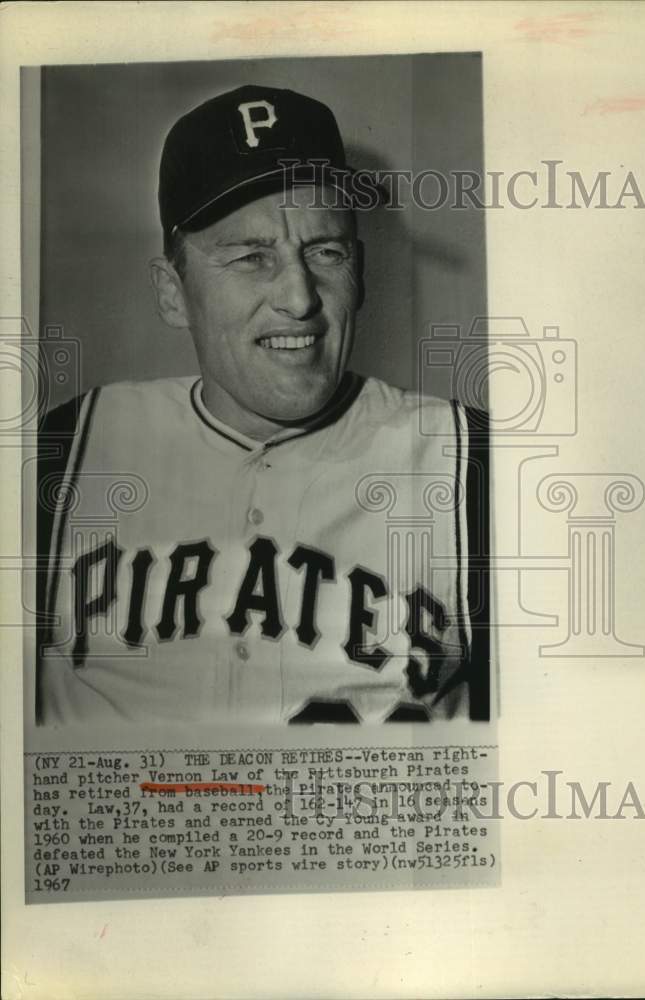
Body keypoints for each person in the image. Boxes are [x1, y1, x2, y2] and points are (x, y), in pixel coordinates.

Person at [36, 84, 490, 726]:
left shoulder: (470, 465)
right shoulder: (59, 454)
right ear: (172, 292)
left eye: (325, 252)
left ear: (358, 272)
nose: (299, 297)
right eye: (251, 258)